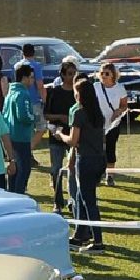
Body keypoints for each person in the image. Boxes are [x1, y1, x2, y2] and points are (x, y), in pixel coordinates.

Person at [57, 76, 109, 253]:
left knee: (89, 201)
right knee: (80, 196)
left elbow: (72, 140)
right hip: (99, 159)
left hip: (85, 160)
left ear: (79, 94)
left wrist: (59, 135)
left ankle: (98, 242)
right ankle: (80, 234)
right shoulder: (98, 113)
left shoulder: (79, 113)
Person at [45, 60, 78, 212]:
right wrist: (61, 117)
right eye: (70, 74)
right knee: (56, 169)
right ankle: (58, 202)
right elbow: (46, 115)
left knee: (73, 169)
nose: (73, 77)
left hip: (73, 135)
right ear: (63, 75)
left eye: (74, 73)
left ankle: (73, 200)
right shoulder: (54, 92)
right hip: (56, 135)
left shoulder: (78, 93)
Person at [2, 63, 36, 194]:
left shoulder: (10, 92)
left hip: (10, 135)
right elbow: (24, 116)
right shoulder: (23, 94)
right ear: (24, 78)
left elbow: (4, 114)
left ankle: (12, 193)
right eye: (31, 77)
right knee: (24, 169)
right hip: (21, 137)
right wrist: (34, 118)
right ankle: (19, 194)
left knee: (14, 168)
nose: (32, 81)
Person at [93, 65, 128, 186]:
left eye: (107, 73)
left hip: (113, 124)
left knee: (110, 149)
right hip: (97, 123)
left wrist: (118, 111)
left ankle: (110, 176)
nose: (103, 76)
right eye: (101, 73)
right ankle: (97, 174)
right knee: (97, 150)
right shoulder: (95, 86)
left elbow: (124, 106)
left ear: (113, 75)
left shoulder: (119, 88)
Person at [16, 42, 46, 152]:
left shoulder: (17, 66)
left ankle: (27, 151)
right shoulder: (36, 66)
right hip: (34, 101)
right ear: (33, 52)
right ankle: (29, 149)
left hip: (20, 100)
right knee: (42, 127)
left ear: (22, 53)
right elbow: (40, 85)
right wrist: (44, 100)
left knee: (27, 128)